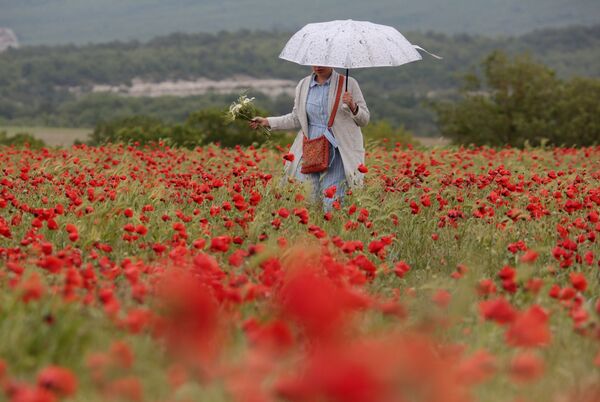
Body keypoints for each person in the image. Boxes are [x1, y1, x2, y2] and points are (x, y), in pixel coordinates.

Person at [250, 66, 369, 209]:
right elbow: (296, 118)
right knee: (306, 201)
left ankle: (331, 230)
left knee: (333, 203)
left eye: (322, 62)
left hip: (337, 151)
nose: (317, 67)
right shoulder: (304, 85)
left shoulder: (348, 83)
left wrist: (352, 106)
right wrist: (267, 121)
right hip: (310, 148)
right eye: (314, 62)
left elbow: (364, 120)